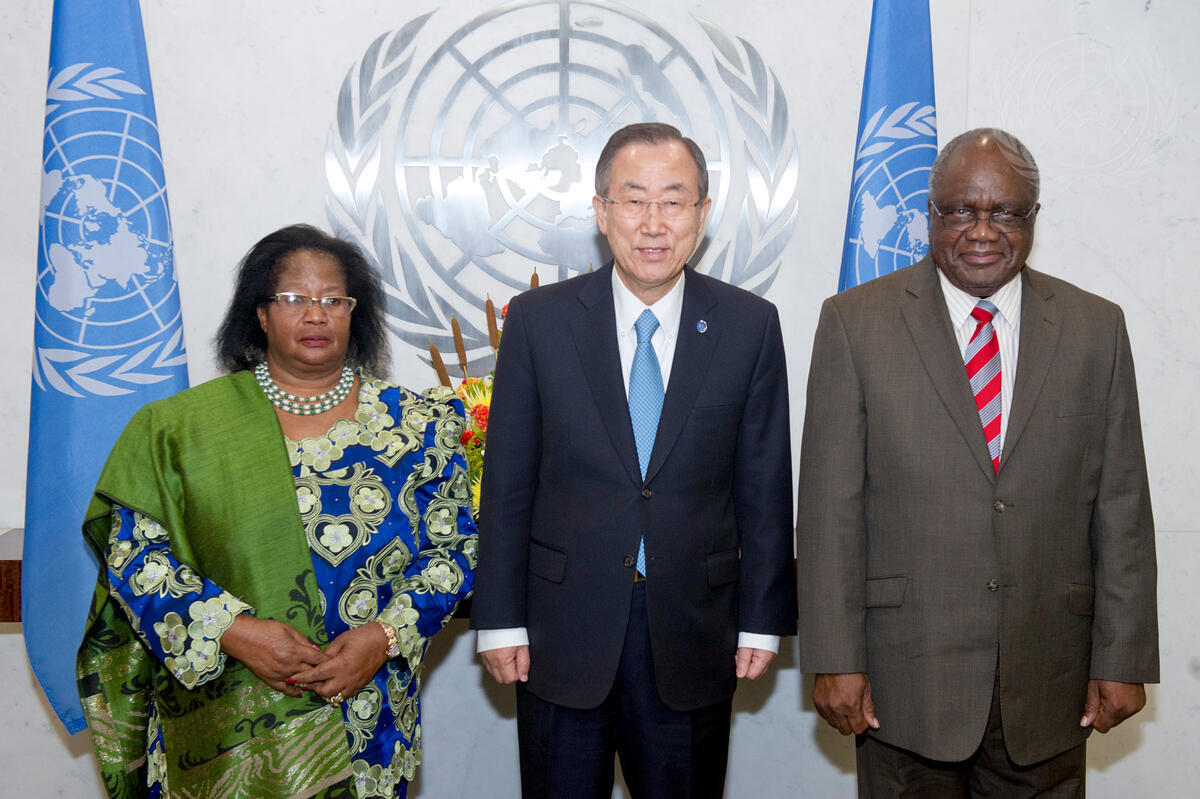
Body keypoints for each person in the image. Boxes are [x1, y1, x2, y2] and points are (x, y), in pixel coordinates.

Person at [796, 128, 1158, 796]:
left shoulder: (1096, 328)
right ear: (930, 213)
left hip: (1049, 682)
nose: (983, 231)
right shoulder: (856, 323)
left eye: (1005, 212)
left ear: (1033, 218)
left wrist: (1125, 654)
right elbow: (828, 510)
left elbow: (1123, 507)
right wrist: (833, 656)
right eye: (961, 210)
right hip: (904, 683)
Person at [76, 224, 477, 799]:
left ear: (354, 314)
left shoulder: (420, 424)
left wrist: (384, 636)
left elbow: (454, 551)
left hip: (366, 710)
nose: (315, 315)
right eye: (294, 298)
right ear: (261, 314)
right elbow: (133, 555)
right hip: (224, 714)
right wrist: (233, 631)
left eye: (333, 300)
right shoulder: (181, 430)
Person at [469, 122, 796, 798]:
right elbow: (507, 484)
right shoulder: (538, 320)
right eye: (634, 200)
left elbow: (764, 487)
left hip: (694, 628)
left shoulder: (749, 325)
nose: (653, 223)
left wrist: (763, 619)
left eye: (673, 201)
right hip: (562, 630)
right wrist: (498, 617)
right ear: (601, 211)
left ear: (702, 214)